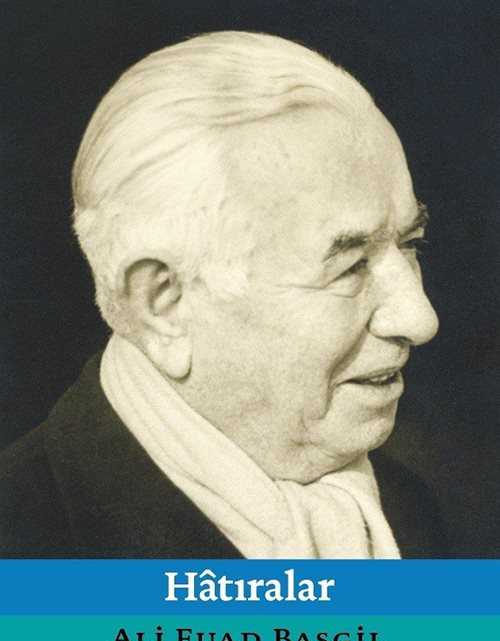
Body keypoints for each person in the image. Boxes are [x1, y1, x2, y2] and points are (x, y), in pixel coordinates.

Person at [0, 31, 445, 558]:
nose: (419, 318)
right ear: (164, 305)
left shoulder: (414, 511)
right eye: (349, 267)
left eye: (410, 243)